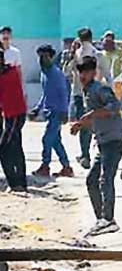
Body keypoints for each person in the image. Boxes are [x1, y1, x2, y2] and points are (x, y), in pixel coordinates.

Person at [70, 56, 122, 237]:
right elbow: (96, 117)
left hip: (114, 139)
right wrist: (81, 124)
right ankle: (101, 219)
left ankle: (108, 219)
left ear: (93, 73)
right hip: (103, 141)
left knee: (106, 178)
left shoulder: (99, 88)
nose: (82, 76)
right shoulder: (87, 92)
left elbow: (114, 106)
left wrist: (89, 115)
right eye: (80, 73)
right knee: (91, 180)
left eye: (86, 72)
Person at [30, 44, 73, 178]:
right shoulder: (44, 73)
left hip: (57, 112)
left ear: (51, 56)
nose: (42, 59)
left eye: (45, 56)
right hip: (49, 111)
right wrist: (38, 108)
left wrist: (65, 111)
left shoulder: (56, 73)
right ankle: (66, 167)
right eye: (40, 56)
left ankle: (45, 165)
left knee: (47, 139)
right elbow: (45, 93)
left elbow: (64, 93)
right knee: (55, 141)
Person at [65, 27, 98, 169]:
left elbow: (65, 72)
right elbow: (106, 75)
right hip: (94, 92)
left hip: (79, 93)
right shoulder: (97, 53)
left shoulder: (76, 55)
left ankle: (85, 154)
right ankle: (87, 154)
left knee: (83, 123)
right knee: (89, 123)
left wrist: (71, 55)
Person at [0, 49, 27, 193]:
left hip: (14, 116)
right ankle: (21, 183)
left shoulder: (7, 75)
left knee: (4, 149)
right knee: (16, 148)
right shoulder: (12, 71)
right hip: (16, 114)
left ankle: (15, 183)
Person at [98, 31, 122, 99]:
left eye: (110, 39)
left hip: (117, 77)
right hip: (106, 79)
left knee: (117, 97)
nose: (108, 42)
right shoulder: (102, 54)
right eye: (106, 40)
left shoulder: (119, 52)